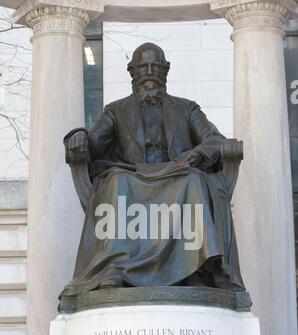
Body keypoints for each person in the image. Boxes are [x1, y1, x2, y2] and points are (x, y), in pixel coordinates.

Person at [60, 43, 245, 298]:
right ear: (132, 71)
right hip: (133, 174)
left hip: (177, 173)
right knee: (115, 181)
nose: (149, 71)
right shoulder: (115, 110)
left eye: (155, 66)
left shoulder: (187, 108)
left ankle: (195, 266)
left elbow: (215, 140)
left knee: (193, 180)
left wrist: (194, 155)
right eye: (143, 66)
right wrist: (79, 135)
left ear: (165, 70)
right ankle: (114, 266)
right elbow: (94, 141)